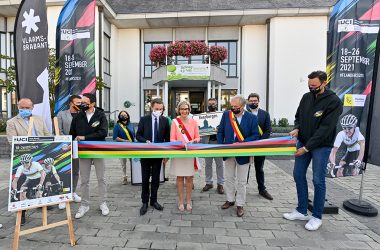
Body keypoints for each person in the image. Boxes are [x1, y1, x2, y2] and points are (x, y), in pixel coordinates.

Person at [284, 70, 342, 231]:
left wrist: (307, 147)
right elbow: (298, 117)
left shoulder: (334, 102)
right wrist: (296, 128)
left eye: (315, 86)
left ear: (324, 83)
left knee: (318, 180)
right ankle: (301, 210)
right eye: (309, 85)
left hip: (321, 146)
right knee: (298, 174)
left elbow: (325, 128)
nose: (312, 88)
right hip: (303, 141)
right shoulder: (306, 97)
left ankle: (317, 216)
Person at [6, 98, 51, 225]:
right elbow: (12, 141)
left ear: (32, 108)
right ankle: (22, 212)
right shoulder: (12, 122)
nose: (25, 110)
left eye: (27, 108)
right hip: (24, 158)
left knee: (43, 181)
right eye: (22, 108)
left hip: (41, 156)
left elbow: (47, 135)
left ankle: (42, 203)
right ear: (18, 107)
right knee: (22, 186)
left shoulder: (38, 119)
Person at [217, 95, 260, 217]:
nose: (233, 108)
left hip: (243, 153)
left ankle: (240, 204)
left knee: (242, 181)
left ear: (243, 106)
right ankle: (230, 200)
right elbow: (220, 131)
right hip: (228, 152)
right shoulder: (227, 115)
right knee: (229, 178)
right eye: (232, 106)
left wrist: (241, 143)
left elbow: (255, 136)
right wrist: (221, 146)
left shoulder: (251, 118)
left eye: (236, 107)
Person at [70, 93, 109, 219]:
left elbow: (103, 132)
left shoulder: (101, 115)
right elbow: (72, 133)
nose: (82, 105)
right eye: (81, 102)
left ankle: (103, 203)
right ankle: (84, 205)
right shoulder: (77, 116)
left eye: (85, 102)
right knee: (84, 180)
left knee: (101, 178)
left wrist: (85, 137)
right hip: (83, 152)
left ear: (92, 103)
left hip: (98, 150)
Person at [136, 98, 170, 215]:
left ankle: (153, 200)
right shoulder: (144, 119)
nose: (159, 111)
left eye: (161, 109)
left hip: (158, 155)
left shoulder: (165, 121)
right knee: (145, 178)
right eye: (156, 109)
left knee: (156, 179)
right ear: (151, 108)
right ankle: (144, 202)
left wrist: (167, 155)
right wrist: (145, 141)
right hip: (145, 153)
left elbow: (167, 139)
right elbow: (138, 135)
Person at [170, 100, 200, 211]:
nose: (184, 111)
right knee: (179, 178)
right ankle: (181, 201)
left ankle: (189, 201)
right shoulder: (175, 122)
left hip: (190, 153)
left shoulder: (193, 122)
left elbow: (198, 137)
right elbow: (172, 138)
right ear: (179, 110)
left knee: (189, 178)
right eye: (182, 109)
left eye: (187, 109)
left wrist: (194, 141)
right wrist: (179, 143)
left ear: (189, 110)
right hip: (179, 153)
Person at [56, 94, 82, 208]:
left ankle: (73, 192)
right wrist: (67, 141)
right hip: (64, 147)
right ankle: (62, 196)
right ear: (71, 103)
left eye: (80, 103)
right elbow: (58, 131)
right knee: (64, 172)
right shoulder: (62, 114)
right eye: (77, 103)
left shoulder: (83, 115)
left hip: (79, 147)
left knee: (76, 171)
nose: (79, 105)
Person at [246, 93, 273, 200]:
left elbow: (268, 130)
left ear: (258, 101)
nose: (253, 102)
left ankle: (262, 189)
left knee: (259, 169)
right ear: (248, 101)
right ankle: (241, 189)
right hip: (247, 146)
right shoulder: (244, 113)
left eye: (255, 100)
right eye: (251, 100)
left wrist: (259, 142)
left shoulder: (265, 114)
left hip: (260, 146)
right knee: (244, 168)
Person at [11, 154, 46, 225]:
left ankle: (45, 204)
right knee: (22, 190)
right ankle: (22, 213)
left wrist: (40, 184)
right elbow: (15, 180)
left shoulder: (36, 164)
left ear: (31, 161)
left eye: (26, 162)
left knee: (39, 194)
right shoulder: (20, 168)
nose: (24, 164)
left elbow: (43, 173)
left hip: (39, 179)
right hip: (29, 179)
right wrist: (14, 189)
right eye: (22, 163)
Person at [201, 98, 224, 194]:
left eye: (213, 104)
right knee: (208, 164)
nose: (211, 105)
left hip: (218, 142)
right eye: (210, 104)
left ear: (217, 104)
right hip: (208, 142)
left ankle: (220, 184)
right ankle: (209, 182)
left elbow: (224, 127)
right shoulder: (203, 116)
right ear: (207, 105)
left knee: (219, 164)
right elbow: (200, 128)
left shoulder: (221, 116)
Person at [113, 110, 135, 184]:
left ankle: (134, 177)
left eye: (125, 115)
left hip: (131, 147)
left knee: (133, 162)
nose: (123, 116)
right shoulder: (117, 126)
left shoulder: (131, 125)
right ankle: (124, 177)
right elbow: (115, 137)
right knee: (123, 163)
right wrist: (124, 141)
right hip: (121, 147)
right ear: (119, 117)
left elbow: (133, 135)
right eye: (122, 115)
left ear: (128, 116)